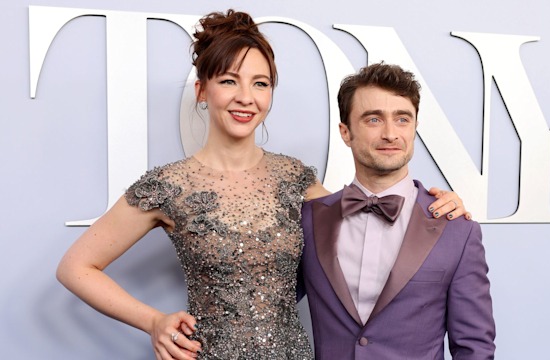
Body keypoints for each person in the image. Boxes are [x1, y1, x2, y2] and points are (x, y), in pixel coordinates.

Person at [56, 10, 468, 360]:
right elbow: (75, 267)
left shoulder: (296, 179)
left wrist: (435, 206)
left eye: (260, 83)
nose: (246, 98)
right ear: (202, 91)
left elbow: (369, 215)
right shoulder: (168, 186)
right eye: (229, 81)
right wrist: (153, 321)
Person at [300, 63, 496, 359]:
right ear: (345, 132)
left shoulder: (457, 229)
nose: (391, 134)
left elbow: (474, 347)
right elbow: (261, 303)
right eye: (373, 119)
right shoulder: (308, 219)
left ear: (414, 128)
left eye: (402, 119)